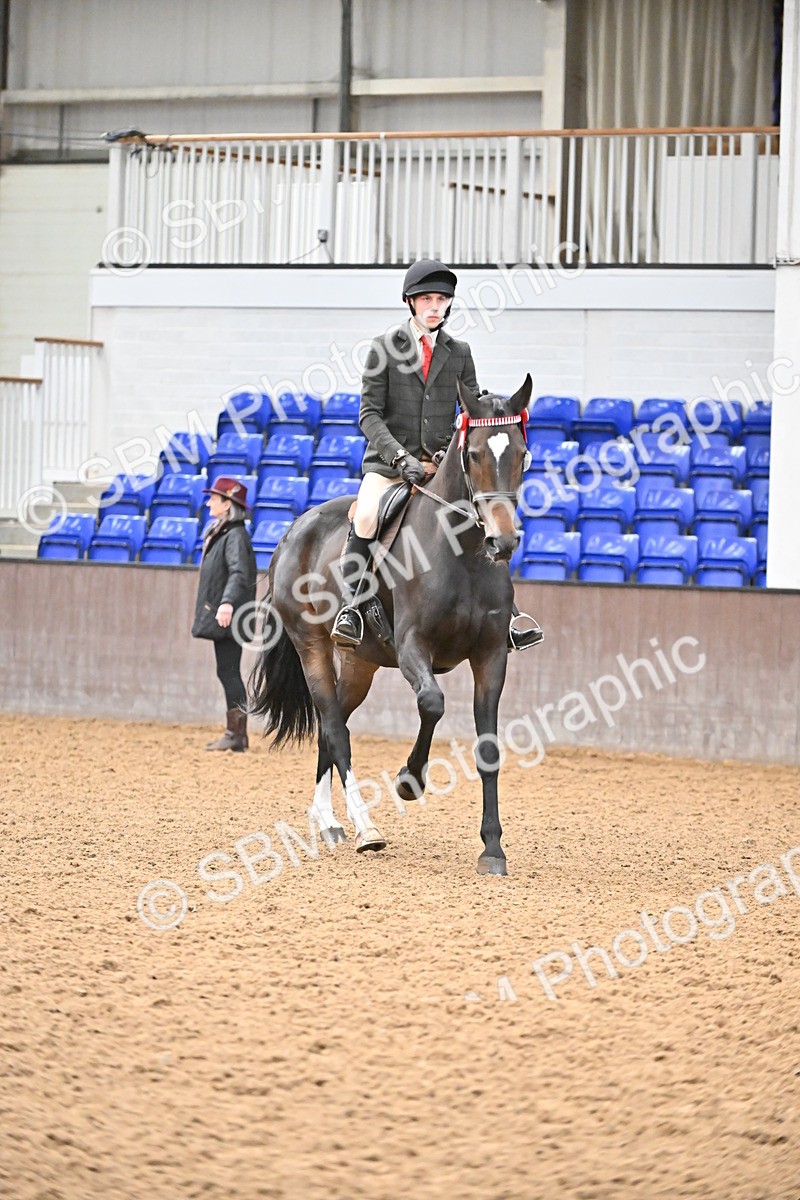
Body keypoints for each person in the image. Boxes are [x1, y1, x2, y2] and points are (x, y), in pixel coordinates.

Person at [331, 258, 543, 651]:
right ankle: (352, 609)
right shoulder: (383, 349)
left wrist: (491, 420)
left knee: (481, 517)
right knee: (365, 515)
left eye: (441, 299)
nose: (434, 305)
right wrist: (399, 458)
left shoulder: (458, 352)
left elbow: (472, 409)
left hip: (441, 465)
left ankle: (507, 615)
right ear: (411, 303)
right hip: (389, 466)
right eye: (426, 298)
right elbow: (369, 414)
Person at [191, 476, 257, 751]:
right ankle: (236, 733)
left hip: (231, 615)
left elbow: (239, 572)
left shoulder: (234, 536)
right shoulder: (226, 533)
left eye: (214, 498)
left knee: (229, 672)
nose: (209, 502)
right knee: (227, 671)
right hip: (229, 614)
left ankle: (237, 735)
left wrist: (227, 602)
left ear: (228, 504)